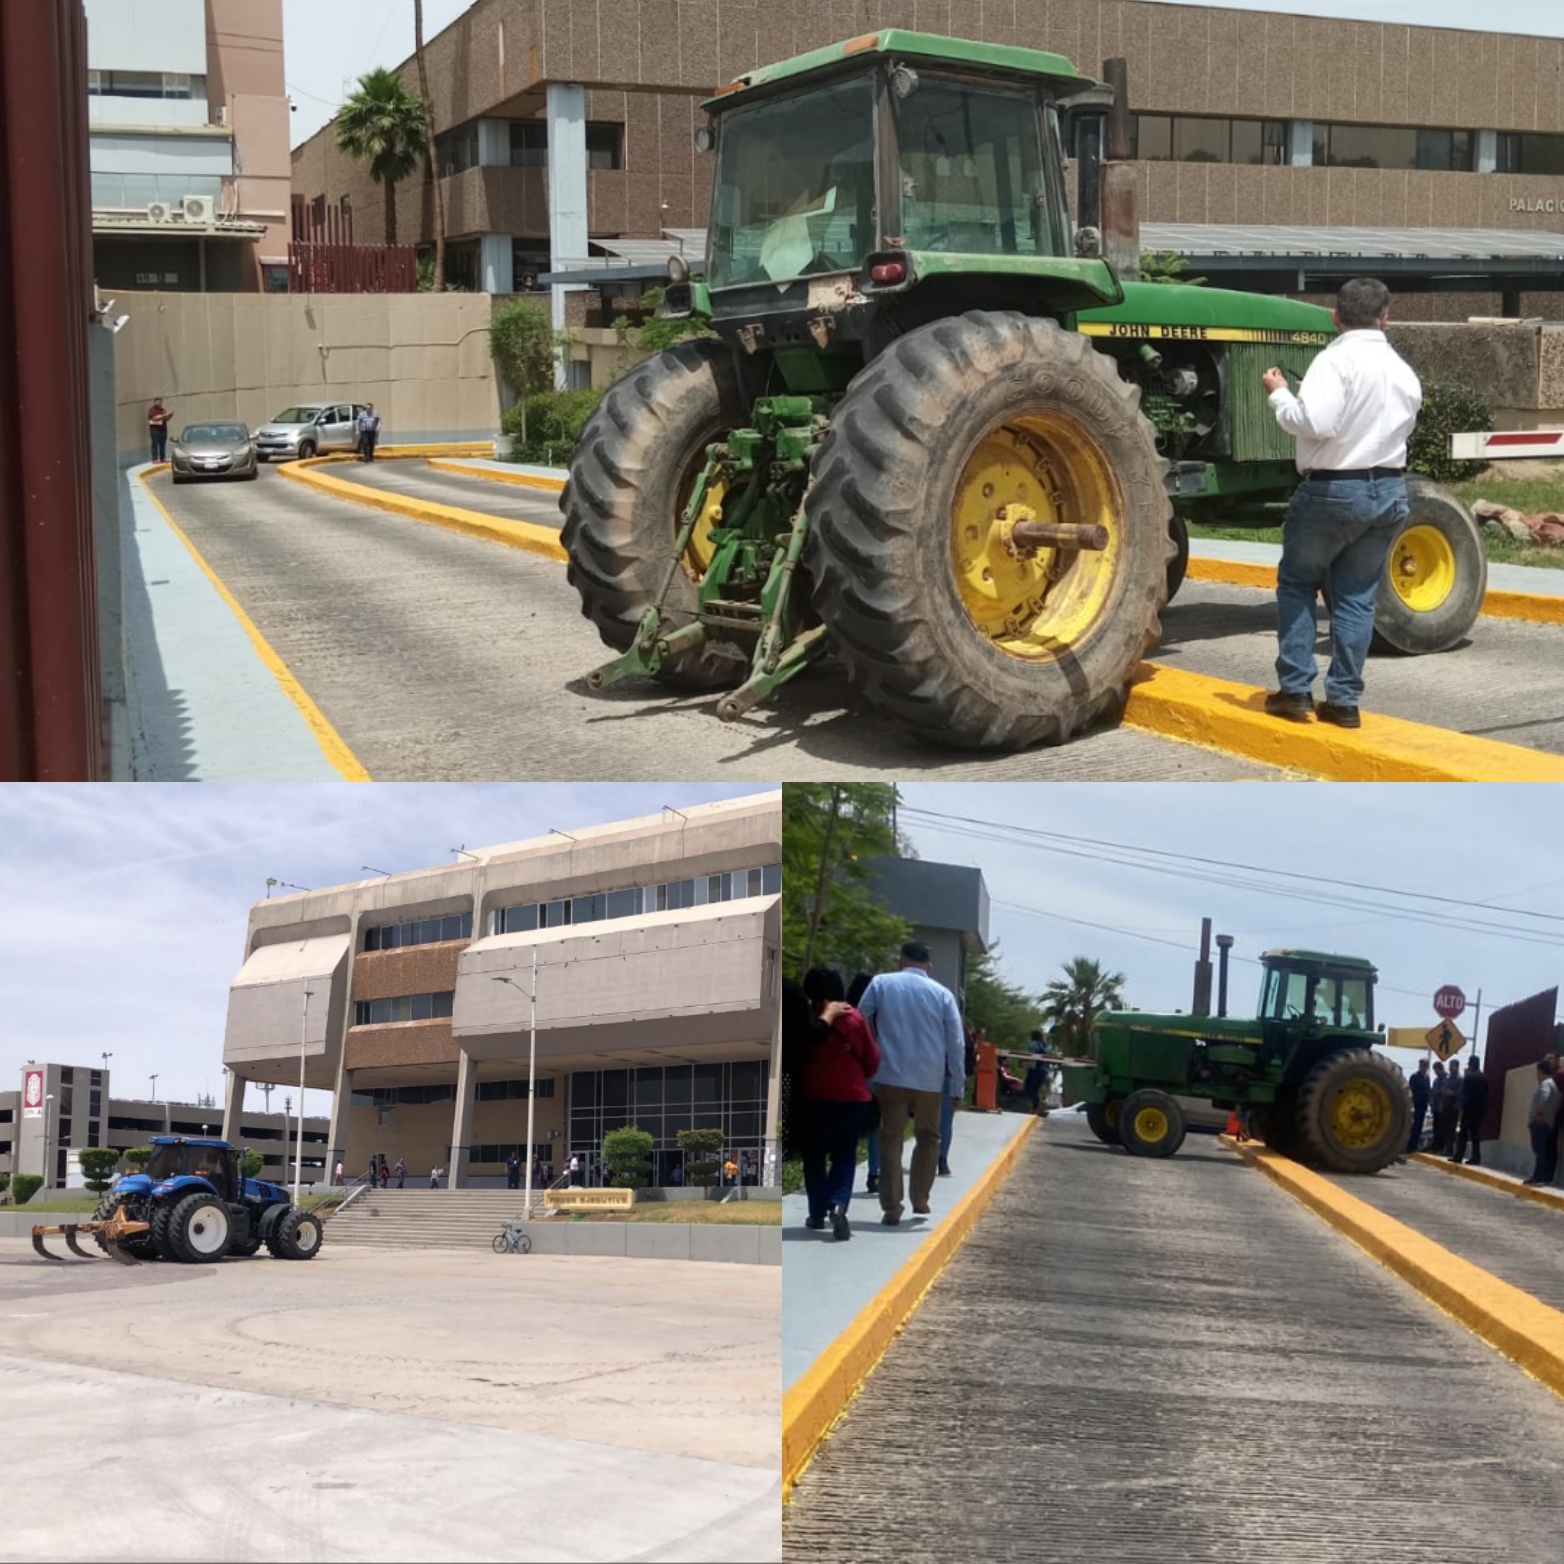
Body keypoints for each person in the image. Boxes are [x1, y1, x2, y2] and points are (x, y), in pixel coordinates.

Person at [1261, 277, 1421, 729]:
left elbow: (1315, 421)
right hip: (1388, 489)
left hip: (1333, 488)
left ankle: (1295, 691)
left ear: (1336, 317)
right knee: (1356, 598)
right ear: (1386, 317)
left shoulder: (1334, 360)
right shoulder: (1402, 370)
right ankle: (1344, 700)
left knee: (1297, 584)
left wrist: (1278, 394)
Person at [858, 941, 965, 1227]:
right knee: (928, 1138)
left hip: (889, 1074)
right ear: (929, 965)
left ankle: (892, 1207)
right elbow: (956, 1043)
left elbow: (860, 1017)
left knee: (890, 1139)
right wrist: (957, 1086)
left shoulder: (881, 983)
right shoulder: (942, 994)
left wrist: (871, 1056)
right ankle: (921, 1199)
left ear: (900, 960)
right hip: (929, 1080)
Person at [797, 966, 881, 1242]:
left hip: (813, 1097)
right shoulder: (855, 1018)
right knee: (844, 1156)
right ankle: (838, 1203)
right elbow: (872, 1059)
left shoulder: (808, 1018)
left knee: (814, 1156)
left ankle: (817, 1213)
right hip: (852, 1098)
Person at [1524, 1060, 1561, 1187]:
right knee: (1542, 1151)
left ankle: (1538, 1177)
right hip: (1548, 1122)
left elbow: (1544, 1097)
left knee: (1539, 1151)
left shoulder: (1545, 1084)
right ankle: (1538, 1176)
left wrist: (1539, 1114)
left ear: (1540, 1071)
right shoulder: (1553, 1084)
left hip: (1541, 1123)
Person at [1451, 1056, 1489, 1166]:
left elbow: (1465, 1094)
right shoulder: (1484, 1078)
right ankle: (1476, 1157)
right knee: (1475, 1135)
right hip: (1480, 1111)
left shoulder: (1469, 1077)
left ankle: (1458, 1156)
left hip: (1469, 1110)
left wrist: (1461, 1108)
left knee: (1463, 1133)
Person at [1023, 1027, 1050, 1115]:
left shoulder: (1033, 1044)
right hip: (1044, 1070)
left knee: (1029, 1088)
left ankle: (1040, 1106)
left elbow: (1031, 1054)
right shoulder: (1045, 1046)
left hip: (1035, 1069)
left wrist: (1024, 1063)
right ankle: (1036, 1108)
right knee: (1035, 1090)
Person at [1408, 1057, 1432, 1154]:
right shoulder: (1414, 1077)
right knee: (1413, 1126)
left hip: (1423, 1106)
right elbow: (1410, 1091)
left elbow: (1427, 1092)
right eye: (1422, 1065)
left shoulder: (1427, 1078)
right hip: (1415, 1104)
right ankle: (1409, 1146)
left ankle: (1415, 1146)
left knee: (1419, 1127)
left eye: (1425, 1065)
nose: (1424, 1067)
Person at [147, 396, 172, 462]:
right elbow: (154, 418)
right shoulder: (152, 410)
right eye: (158, 402)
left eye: (160, 402)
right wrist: (163, 415)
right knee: (155, 444)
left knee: (162, 444)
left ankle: (162, 458)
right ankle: (155, 458)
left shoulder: (163, 410)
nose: (159, 403)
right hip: (155, 430)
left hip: (163, 429)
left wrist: (170, 415)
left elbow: (167, 419)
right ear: (155, 402)